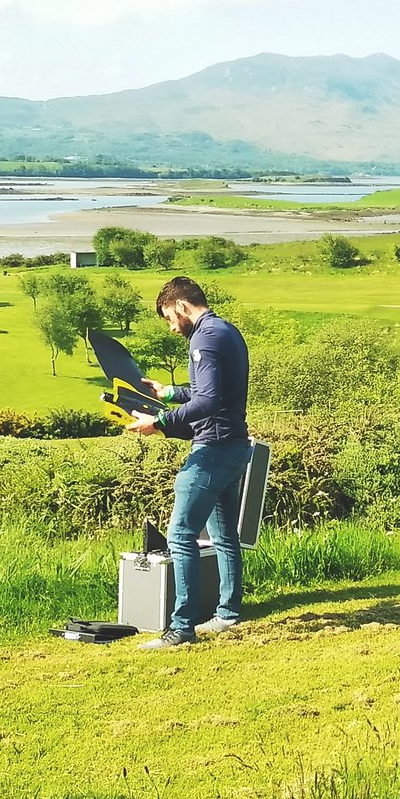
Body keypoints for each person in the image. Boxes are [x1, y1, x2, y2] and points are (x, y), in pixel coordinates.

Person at [126, 276, 252, 649]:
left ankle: (181, 628)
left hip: (211, 451)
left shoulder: (203, 337)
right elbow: (210, 391)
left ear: (181, 306)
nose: (170, 326)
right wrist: (170, 392)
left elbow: (208, 403)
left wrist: (159, 421)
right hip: (234, 447)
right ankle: (228, 613)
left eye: (168, 318)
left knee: (181, 535)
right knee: (225, 535)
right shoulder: (225, 330)